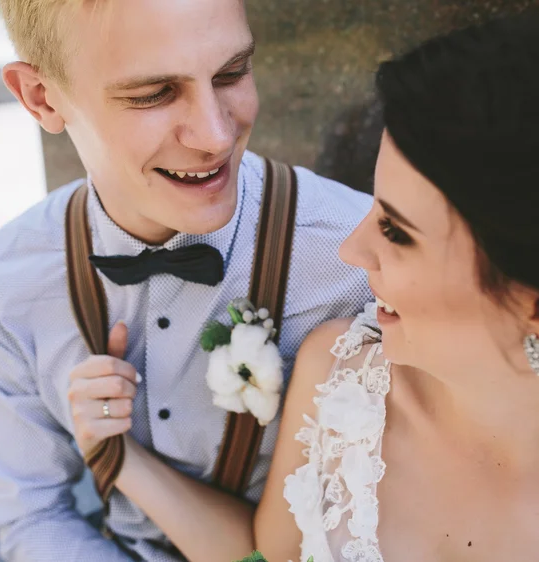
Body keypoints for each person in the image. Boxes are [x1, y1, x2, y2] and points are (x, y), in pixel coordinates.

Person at [70, 10, 539, 562]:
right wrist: (119, 455)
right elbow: (265, 556)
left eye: (396, 231)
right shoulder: (343, 377)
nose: (351, 249)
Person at [0, 0, 373, 560]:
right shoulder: (11, 276)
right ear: (41, 97)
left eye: (232, 73)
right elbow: (31, 513)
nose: (214, 135)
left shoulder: (358, 257)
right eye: (152, 94)